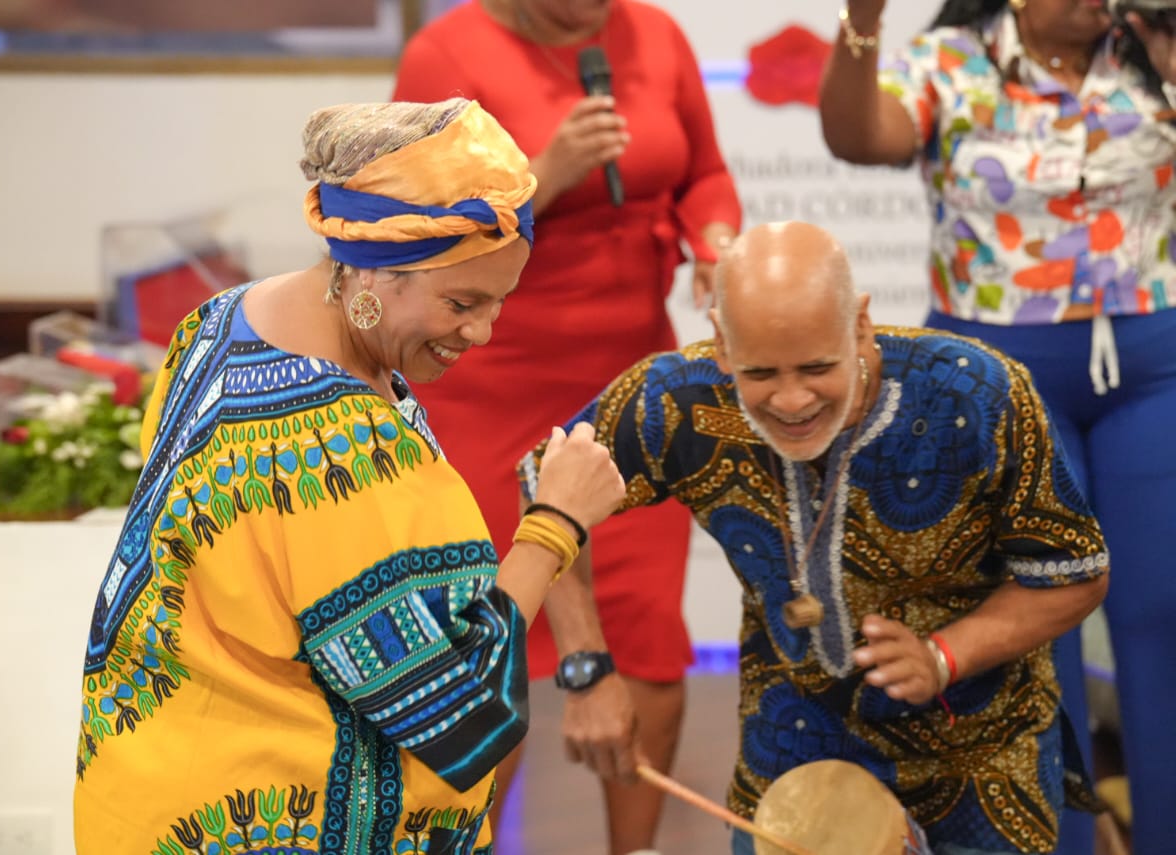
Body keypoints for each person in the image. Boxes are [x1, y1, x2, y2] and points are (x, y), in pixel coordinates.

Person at [71, 97, 627, 855]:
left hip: (156, 790)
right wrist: (555, 522)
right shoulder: (339, 451)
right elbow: (462, 717)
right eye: (461, 302)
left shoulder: (220, 321)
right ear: (370, 268)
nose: (482, 331)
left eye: (500, 302)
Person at [519, 221, 1111, 855]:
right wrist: (585, 669)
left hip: (981, 752)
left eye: (817, 367)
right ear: (721, 343)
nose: (792, 399)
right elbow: (545, 484)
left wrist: (944, 655)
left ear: (860, 325)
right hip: (792, 742)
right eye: (760, 373)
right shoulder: (677, 402)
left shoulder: (976, 393)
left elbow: (1074, 572)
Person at [816, 2, 1176, 851]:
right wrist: (861, 23)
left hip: (1153, 371)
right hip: (1000, 384)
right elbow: (858, 138)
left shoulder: (1149, 45)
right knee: (1038, 622)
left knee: (1162, 616)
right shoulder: (951, 62)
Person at [391, 3, 742, 849]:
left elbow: (704, 173)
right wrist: (543, 175)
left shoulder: (654, 35)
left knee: (647, 631)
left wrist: (716, 242)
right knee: (484, 642)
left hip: (627, 391)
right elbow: (410, 232)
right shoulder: (446, 54)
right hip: (489, 390)